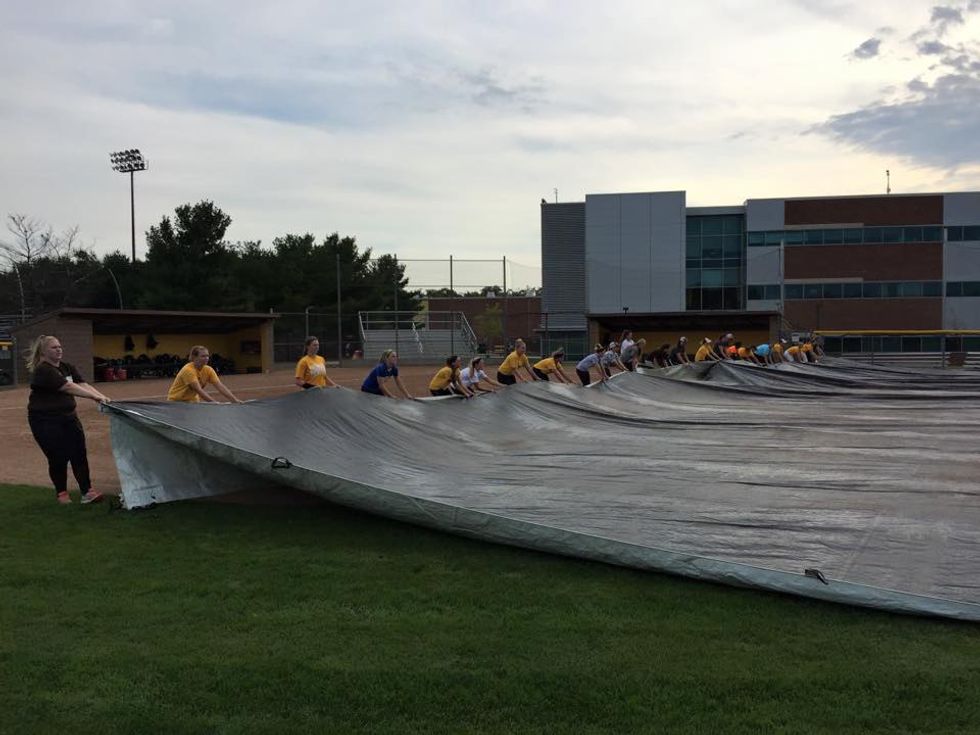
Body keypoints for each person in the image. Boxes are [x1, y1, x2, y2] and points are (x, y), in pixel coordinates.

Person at [25, 335, 110, 505]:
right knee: (57, 456)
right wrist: (94, 397)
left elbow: (82, 384)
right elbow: (68, 386)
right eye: (54, 347)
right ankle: (62, 493)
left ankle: (87, 492)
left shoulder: (67, 367)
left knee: (79, 453)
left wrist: (102, 397)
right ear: (43, 352)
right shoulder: (43, 370)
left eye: (60, 346)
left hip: (68, 417)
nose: (59, 350)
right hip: (45, 420)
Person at [168, 345, 244, 403]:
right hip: (177, 401)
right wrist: (214, 403)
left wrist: (234, 400)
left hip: (192, 401)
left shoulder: (208, 370)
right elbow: (199, 390)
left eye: (207, 356)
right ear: (194, 357)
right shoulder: (188, 370)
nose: (207, 358)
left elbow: (220, 386)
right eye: (203, 356)